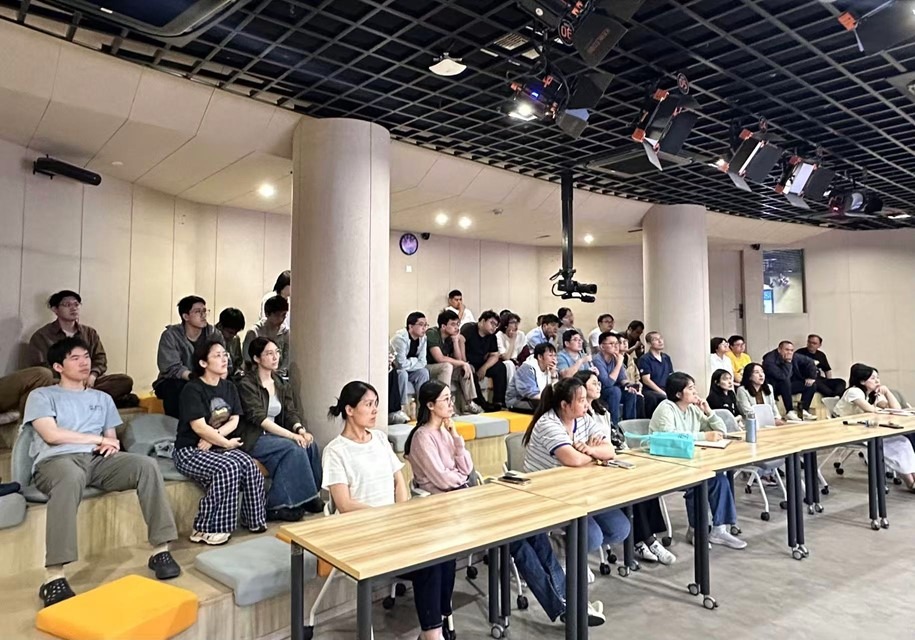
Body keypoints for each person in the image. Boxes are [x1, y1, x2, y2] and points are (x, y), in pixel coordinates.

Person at [406, 380, 605, 628]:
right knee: (516, 541)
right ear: (430, 405)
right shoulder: (422, 437)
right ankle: (561, 606)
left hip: (463, 500)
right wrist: (459, 476)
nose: (451, 403)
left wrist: (456, 438)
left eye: (450, 398)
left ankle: (570, 601)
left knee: (533, 532)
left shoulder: (447, 432)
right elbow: (443, 480)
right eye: (446, 399)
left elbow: (466, 468)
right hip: (443, 509)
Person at [22, 337, 180, 607]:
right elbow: (51, 435)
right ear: (58, 367)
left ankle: (161, 549)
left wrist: (110, 444)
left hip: (97, 461)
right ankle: (54, 576)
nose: (84, 363)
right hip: (57, 461)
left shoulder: (102, 398)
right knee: (71, 478)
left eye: (86, 357)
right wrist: (97, 440)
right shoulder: (42, 396)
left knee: (146, 465)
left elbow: (111, 439)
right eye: (75, 358)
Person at [324, 381, 456, 640]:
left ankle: (436, 625)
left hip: (394, 527)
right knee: (428, 562)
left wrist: (401, 514)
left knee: (444, 550)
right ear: (349, 410)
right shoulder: (335, 450)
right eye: (368, 405)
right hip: (361, 534)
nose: (375, 410)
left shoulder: (380, 439)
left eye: (376, 404)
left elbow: (399, 481)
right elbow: (344, 504)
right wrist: (384, 517)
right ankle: (433, 634)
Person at [522, 377, 631, 557]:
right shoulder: (548, 423)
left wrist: (589, 450)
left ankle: (569, 550)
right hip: (547, 492)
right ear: (564, 405)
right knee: (592, 537)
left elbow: (610, 451)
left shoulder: (583, 419)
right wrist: (593, 454)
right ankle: (562, 555)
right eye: (581, 400)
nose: (586, 405)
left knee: (620, 529)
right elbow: (573, 459)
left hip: (580, 488)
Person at [576, 370, 676, 566]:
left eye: (598, 382)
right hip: (594, 466)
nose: (598, 386)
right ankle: (644, 541)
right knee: (631, 489)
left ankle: (649, 538)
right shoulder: (578, 415)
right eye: (594, 383)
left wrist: (620, 452)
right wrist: (599, 450)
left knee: (644, 484)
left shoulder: (602, 410)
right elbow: (585, 446)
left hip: (611, 458)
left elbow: (612, 439)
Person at [173, 339, 267, 546]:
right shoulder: (192, 389)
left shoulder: (229, 387)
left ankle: (253, 519)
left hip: (214, 445)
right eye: (217, 355)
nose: (224, 359)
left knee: (249, 465)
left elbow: (234, 420)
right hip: (190, 450)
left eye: (225, 355)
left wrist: (216, 437)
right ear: (203, 363)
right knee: (229, 467)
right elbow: (199, 427)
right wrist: (224, 443)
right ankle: (205, 527)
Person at [649, 372, 746, 550]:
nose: (695, 392)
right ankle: (695, 530)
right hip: (666, 464)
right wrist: (703, 436)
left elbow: (721, 431)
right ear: (678, 394)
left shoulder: (693, 409)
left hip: (689, 460)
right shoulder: (666, 408)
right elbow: (670, 437)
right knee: (698, 482)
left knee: (719, 479)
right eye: (690, 388)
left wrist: (709, 412)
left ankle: (719, 529)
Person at [237, 337, 324, 521]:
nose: (275, 357)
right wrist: (291, 436)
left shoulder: (281, 383)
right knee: (293, 448)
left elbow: (290, 411)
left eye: (277, 352)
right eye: (269, 353)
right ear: (257, 358)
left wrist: (300, 430)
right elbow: (259, 418)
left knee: (310, 445)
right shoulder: (246, 384)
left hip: (275, 435)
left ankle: (309, 496)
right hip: (254, 437)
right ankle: (275, 504)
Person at [28, 290, 135, 406]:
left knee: (124, 381)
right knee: (46, 387)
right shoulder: (42, 336)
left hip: (88, 381)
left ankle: (80, 400)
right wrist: (71, 379)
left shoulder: (89, 333)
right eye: (67, 305)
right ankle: (92, 400)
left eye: (76, 304)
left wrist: (92, 375)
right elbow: (41, 368)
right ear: (55, 309)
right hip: (60, 382)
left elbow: (100, 358)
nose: (73, 308)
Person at [834, 364, 915, 490]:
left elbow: (896, 409)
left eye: (878, 377)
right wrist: (880, 405)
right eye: (873, 378)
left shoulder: (872, 393)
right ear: (862, 381)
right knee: (897, 445)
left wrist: (887, 392)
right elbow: (870, 410)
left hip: (868, 429)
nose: (877, 381)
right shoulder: (853, 392)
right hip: (850, 431)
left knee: (903, 441)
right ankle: (910, 482)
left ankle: (912, 478)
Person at [153, 295, 225, 418]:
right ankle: (179, 425)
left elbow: (224, 359)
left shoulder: (214, 334)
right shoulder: (171, 335)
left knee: (231, 385)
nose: (203, 315)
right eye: (197, 312)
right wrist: (194, 377)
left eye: (204, 311)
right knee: (176, 388)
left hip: (210, 377)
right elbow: (170, 367)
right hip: (179, 379)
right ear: (185, 316)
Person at [426, 310, 483, 414]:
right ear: (443, 326)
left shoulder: (450, 337)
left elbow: (459, 359)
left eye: (457, 324)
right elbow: (440, 358)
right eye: (453, 324)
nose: (456, 327)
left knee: (465, 367)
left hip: (442, 367)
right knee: (447, 366)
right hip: (428, 367)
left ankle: (468, 403)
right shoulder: (432, 333)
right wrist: (462, 363)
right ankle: (445, 403)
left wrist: (456, 341)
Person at [460, 310, 508, 409]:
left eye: (496, 325)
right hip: (467, 362)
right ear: (482, 321)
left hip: (481, 363)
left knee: (500, 367)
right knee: (470, 371)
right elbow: (460, 341)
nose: (494, 327)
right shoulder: (469, 329)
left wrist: (484, 368)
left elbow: (495, 355)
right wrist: (464, 362)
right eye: (492, 323)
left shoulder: (492, 336)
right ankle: (481, 403)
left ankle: (499, 401)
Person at [762, 341, 818, 421]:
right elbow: (783, 376)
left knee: (811, 385)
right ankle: (789, 411)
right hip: (775, 387)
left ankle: (803, 410)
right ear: (779, 350)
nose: (790, 352)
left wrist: (812, 377)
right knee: (785, 382)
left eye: (791, 350)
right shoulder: (769, 360)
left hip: (788, 385)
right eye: (787, 350)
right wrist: (788, 363)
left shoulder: (793, 355)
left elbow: (810, 361)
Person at [592, 331, 639, 424]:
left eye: (617, 343)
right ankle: (614, 425)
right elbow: (607, 383)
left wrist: (629, 386)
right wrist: (619, 363)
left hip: (615, 391)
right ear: (602, 347)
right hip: (601, 391)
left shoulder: (615, 357)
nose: (616, 346)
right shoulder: (597, 360)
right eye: (611, 343)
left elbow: (622, 379)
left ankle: (629, 425)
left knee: (631, 393)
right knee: (615, 391)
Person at [390, 312, 432, 413]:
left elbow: (423, 362)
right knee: (403, 374)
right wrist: (415, 360)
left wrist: (412, 362)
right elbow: (401, 364)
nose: (424, 328)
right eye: (421, 325)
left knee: (423, 372)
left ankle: (422, 407)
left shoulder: (423, 338)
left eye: (426, 325)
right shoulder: (400, 338)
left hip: (410, 370)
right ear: (411, 326)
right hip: (395, 371)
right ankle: (402, 408)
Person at [243, 295, 290, 375]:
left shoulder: (285, 333)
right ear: (267, 314)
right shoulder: (254, 332)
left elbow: (287, 358)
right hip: (256, 375)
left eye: (284, 315)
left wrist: (278, 372)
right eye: (277, 315)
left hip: (278, 375)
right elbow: (248, 360)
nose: (281, 319)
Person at [505, 343, 557, 412]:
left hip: (536, 400)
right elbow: (531, 394)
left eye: (554, 356)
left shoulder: (550, 369)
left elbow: (555, 391)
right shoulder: (527, 368)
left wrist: (553, 375)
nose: (554, 359)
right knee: (547, 405)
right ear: (540, 357)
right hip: (518, 401)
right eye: (550, 355)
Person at [796, 334, 846, 398]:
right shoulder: (799, 353)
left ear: (819, 345)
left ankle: (837, 396)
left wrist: (829, 381)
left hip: (819, 378)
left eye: (814, 343)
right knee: (818, 384)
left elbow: (827, 370)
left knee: (841, 382)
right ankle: (833, 396)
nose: (811, 345)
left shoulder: (821, 355)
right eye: (809, 342)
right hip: (808, 379)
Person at [637, 331, 673, 418]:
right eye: (655, 339)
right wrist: (662, 392)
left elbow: (671, 375)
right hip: (650, 390)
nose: (660, 341)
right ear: (649, 343)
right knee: (655, 398)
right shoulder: (645, 359)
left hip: (665, 388)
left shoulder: (666, 357)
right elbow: (646, 380)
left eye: (661, 338)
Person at [216, 307, 246, 377]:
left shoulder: (235, 339)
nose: (233, 336)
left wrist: (238, 371)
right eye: (230, 332)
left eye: (235, 333)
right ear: (220, 326)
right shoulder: (209, 337)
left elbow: (238, 362)